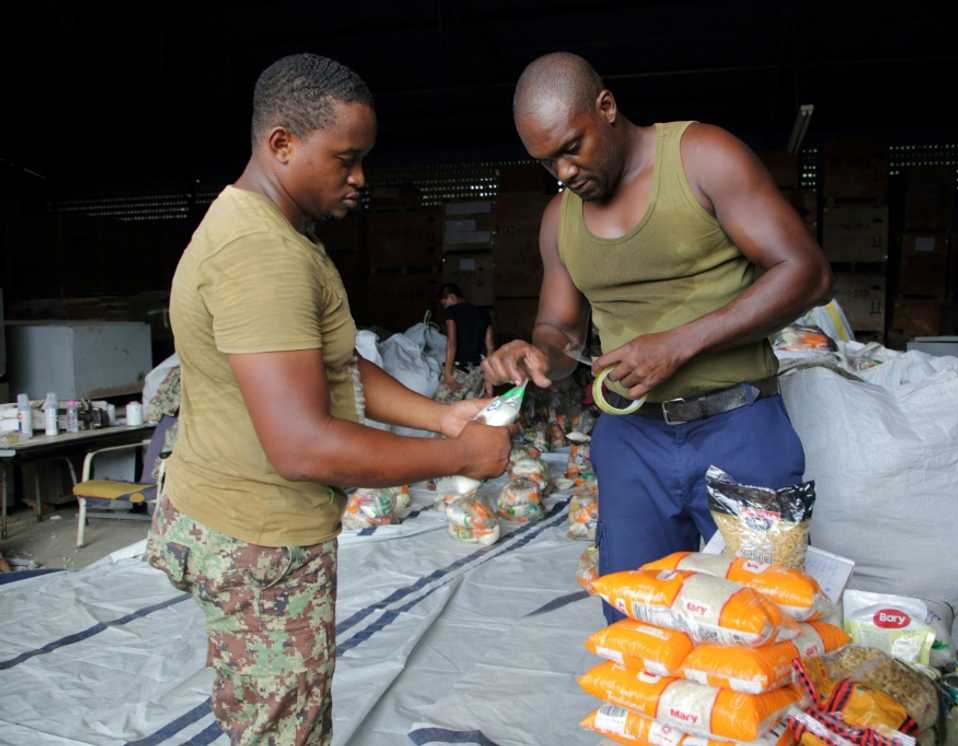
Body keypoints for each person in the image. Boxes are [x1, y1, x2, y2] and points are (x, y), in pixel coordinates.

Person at [145, 53, 510, 744]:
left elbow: (334, 363)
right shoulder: (262, 256)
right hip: (260, 541)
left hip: (241, 521)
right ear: (281, 144)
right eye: (346, 159)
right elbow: (302, 444)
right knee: (284, 727)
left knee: (268, 708)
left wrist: (439, 414)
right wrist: (459, 453)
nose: (359, 178)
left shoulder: (281, 235)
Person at [483, 52, 832, 622]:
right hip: (631, 440)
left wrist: (680, 343)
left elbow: (806, 272)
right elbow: (561, 333)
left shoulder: (701, 157)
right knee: (635, 626)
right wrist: (533, 352)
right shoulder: (558, 218)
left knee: (766, 621)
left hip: (740, 428)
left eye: (572, 147)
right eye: (548, 162)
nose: (564, 172)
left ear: (607, 107)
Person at [437, 283, 495, 399]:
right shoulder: (484, 313)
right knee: (472, 410)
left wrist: (447, 374)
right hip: (478, 372)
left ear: (452, 297)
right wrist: (489, 385)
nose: (445, 307)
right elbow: (490, 348)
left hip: (459, 371)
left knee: (441, 407)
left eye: (445, 303)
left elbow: (451, 344)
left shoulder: (451, 311)